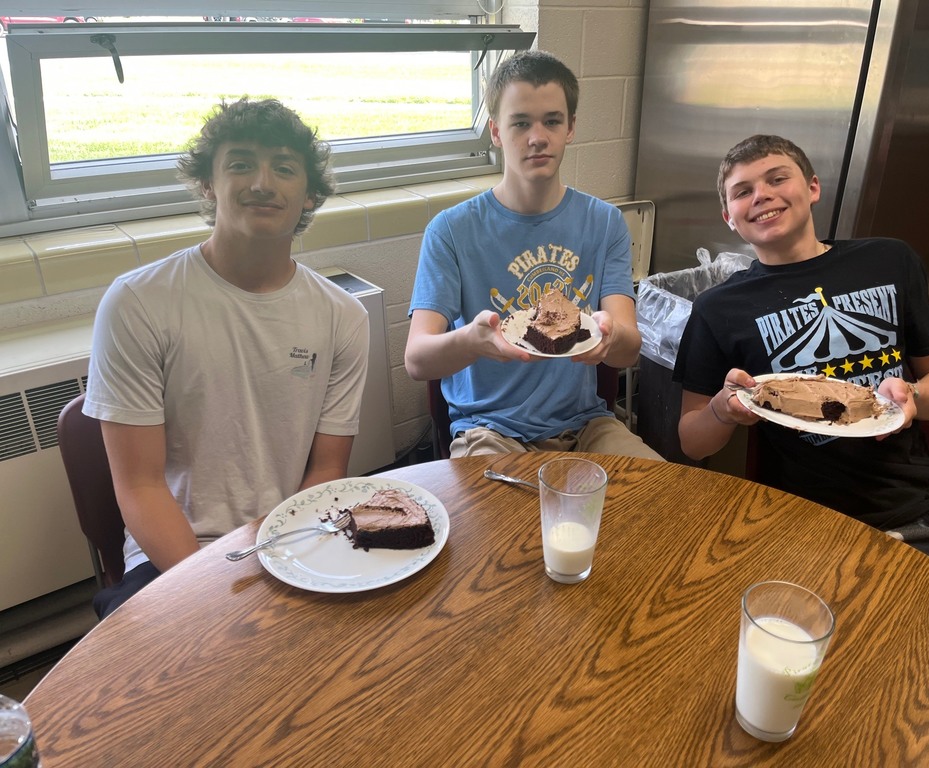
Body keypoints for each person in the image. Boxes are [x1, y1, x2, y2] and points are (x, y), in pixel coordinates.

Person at [673, 134, 929, 613]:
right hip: (840, 526)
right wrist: (723, 409)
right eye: (742, 192)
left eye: (778, 178)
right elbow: (692, 440)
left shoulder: (889, 259)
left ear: (813, 187)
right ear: (729, 218)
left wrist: (913, 399)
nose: (762, 195)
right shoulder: (717, 310)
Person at [84, 98, 370, 618]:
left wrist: (289, 559)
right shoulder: (138, 303)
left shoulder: (342, 316)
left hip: (290, 541)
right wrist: (215, 597)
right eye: (240, 164)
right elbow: (140, 484)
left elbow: (328, 467)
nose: (262, 181)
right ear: (207, 184)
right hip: (171, 558)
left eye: (284, 168)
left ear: (308, 195)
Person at [405, 50, 661, 460]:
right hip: (488, 431)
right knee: (500, 525)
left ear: (571, 128)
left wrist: (609, 337)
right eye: (521, 123)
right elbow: (417, 359)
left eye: (552, 121)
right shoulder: (451, 230)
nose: (537, 137)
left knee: (666, 504)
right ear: (496, 131)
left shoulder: (605, 222)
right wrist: (473, 340)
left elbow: (630, 348)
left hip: (587, 426)